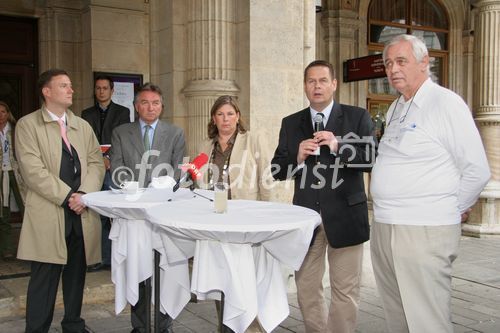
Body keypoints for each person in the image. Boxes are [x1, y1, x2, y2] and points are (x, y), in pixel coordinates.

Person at [369, 34, 491, 333]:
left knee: (427, 321)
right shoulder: (398, 106)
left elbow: (477, 169)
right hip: (386, 225)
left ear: (425, 62)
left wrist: (453, 210)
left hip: (424, 229)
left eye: (401, 61)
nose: (392, 69)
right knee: (397, 317)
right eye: (387, 63)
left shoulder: (445, 103)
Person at [271, 60, 376, 333]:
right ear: (305, 86)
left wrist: (339, 144)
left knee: (345, 291)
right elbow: (277, 170)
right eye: (311, 81)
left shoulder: (357, 117)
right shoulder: (291, 123)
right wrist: (297, 156)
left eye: (322, 81)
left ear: (333, 84)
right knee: (306, 287)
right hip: (306, 221)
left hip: (346, 217)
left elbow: (370, 158)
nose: (316, 86)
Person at [15, 69, 105, 333]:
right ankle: (36, 328)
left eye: (70, 85)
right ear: (47, 91)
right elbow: (33, 171)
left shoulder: (82, 126)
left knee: (76, 273)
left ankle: (74, 323)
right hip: (50, 210)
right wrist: (68, 197)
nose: (71, 90)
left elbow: (95, 162)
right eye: (64, 85)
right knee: (45, 276)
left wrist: (84, 194)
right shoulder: (28, 125)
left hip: (80, 211)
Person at [110, 82, 186, 333]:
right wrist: (134, 192)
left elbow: (178, 171)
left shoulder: (175, 133)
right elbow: (117, 168)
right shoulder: (121, 132)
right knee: (139, 270)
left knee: (164, 269)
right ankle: (139, 326)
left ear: (162, 106)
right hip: (134, 215)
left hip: (164, 213)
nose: (150, 107)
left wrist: (160, 191)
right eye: (144, 102)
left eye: (155, 103)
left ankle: (164, 325)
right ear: (135, 106)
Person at [197, 95, 273, 333]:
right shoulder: (204, 146)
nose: (226, 119)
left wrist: (265, 215)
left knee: (246, 282)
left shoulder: (252, 140)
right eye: (220, 114)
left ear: (238, 116)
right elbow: (198, 182)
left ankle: (251, 328)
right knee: (223, 280)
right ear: (213, 118)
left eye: (230, 113)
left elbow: (267, 179)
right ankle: (226, 327)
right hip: (217, 222)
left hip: (246, 221)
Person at [82, 75, 130, 272]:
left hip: (113, 166)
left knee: (116, 212)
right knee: (97, 212)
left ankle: (119, 256)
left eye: (105, 88)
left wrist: (109, 158)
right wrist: (97, 159)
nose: (101, 91)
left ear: (111, 91)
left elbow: (122, 137)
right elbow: (85, 139)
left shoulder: (122, 112)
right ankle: (101, 257)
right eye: (98, 88)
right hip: (93, 166)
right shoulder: (86, 114)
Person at [0, 101, 25, 261]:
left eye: (3, 111)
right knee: (4, 213)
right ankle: (7, 249)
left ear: (8, 113)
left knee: (27, 209)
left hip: (18, 174)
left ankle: (29, 248)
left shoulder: (16, 130)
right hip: (1, 175)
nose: (0, 115)